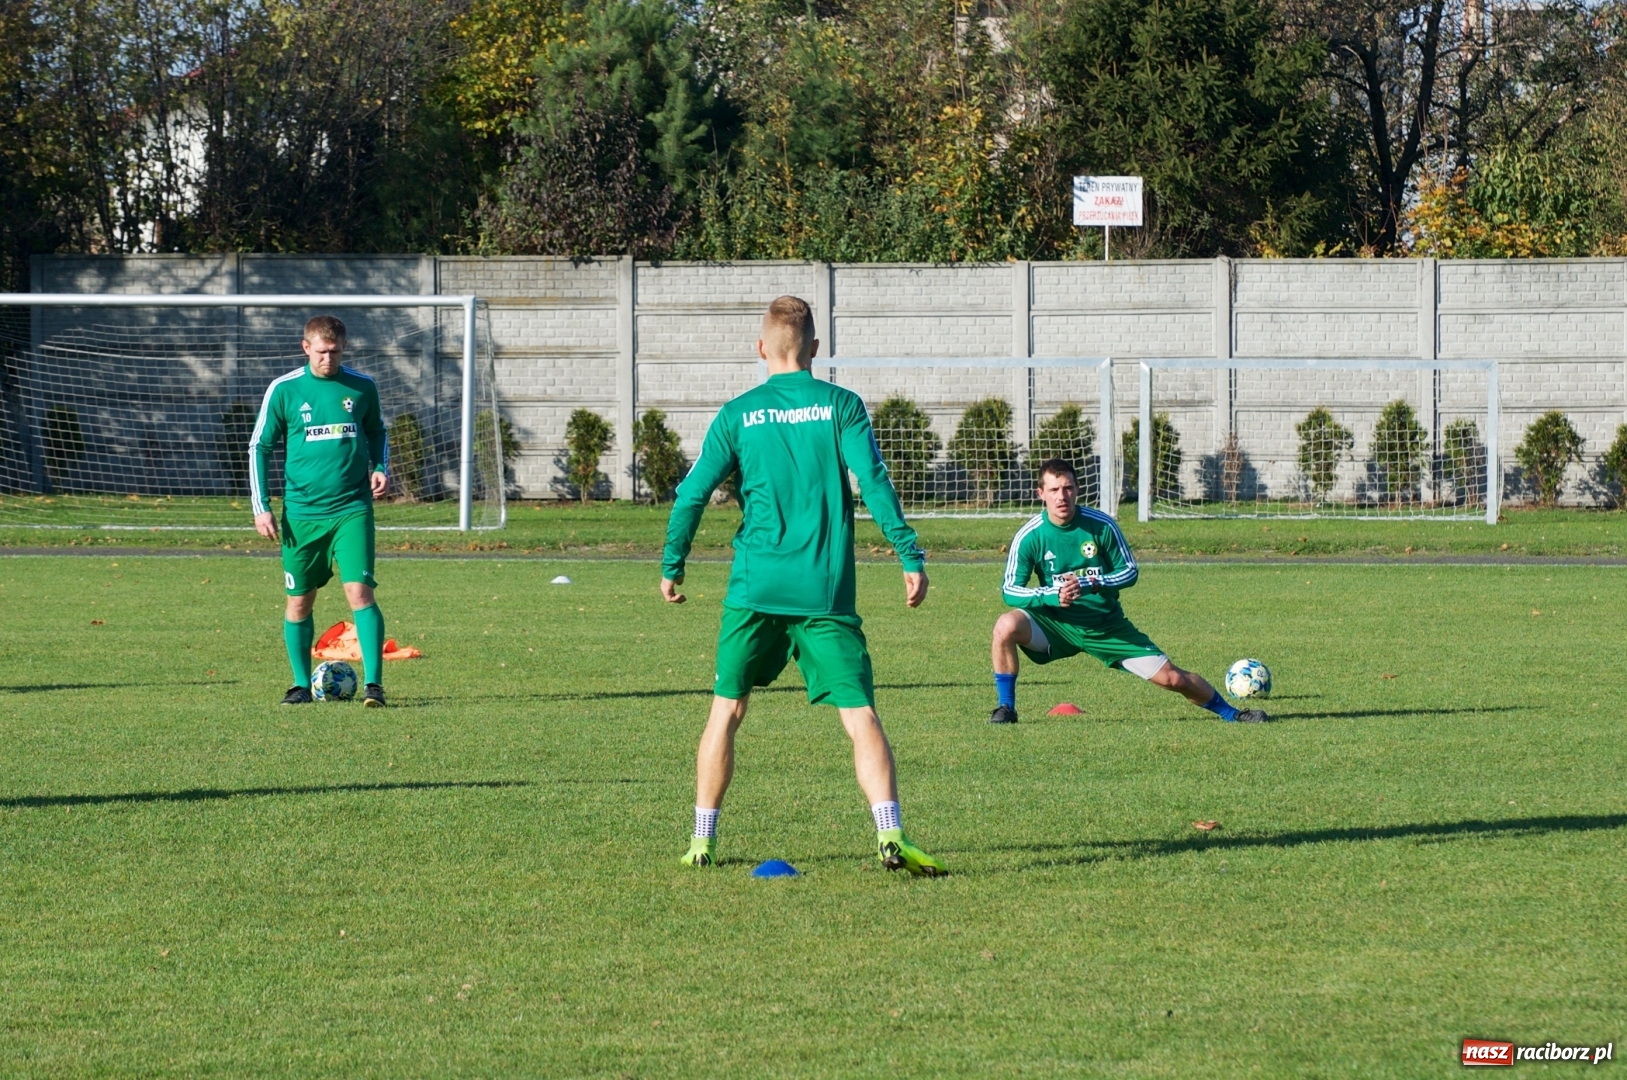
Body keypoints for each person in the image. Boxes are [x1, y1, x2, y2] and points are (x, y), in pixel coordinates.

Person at [661, 295, 944, 875]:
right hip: (824, 590)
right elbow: (873, 480)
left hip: (755, 589)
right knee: (859, 714)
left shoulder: (737, 413)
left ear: (761, 348)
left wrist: (673, 563)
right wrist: (907, 552)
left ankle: (701, 842)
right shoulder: (841, 405)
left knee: (726, 710)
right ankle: (890, 834)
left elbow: (691, 495)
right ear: (815, 347)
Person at [989, 458, 1268, 725]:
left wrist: (1092, 583)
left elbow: (1129, 571)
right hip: (1055, 625)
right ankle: (1006, 708)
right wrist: (1052, 595)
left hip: (1107, 627)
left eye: (1068, 488)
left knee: (1172, 678)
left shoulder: (1102, 525)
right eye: (1054, 490)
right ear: (1041, 493)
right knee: (1006, 625)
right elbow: (1009, 590)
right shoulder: (1030, 535)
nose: (1062, 496)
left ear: (1077, 489)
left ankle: (1233, 714)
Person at [250, 315, 391, 707]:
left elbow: (377, 431)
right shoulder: (284, 389)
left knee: (359, 592)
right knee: (299, 601)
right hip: (301, 514)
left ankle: (374, 686)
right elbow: (260, 446)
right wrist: (261, 507)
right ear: (306, 347)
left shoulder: (362, 387)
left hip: (352, 508)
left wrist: (380, 467)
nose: (329, 359)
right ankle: (299, 685)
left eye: (335, 352)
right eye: (322, 352)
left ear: (344, 349)